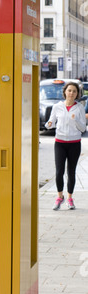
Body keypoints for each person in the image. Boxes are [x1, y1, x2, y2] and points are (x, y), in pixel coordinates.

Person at [45, 82, 86, 210]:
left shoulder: (79, 108)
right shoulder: (57, 107)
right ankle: (59, 197)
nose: (71, 93)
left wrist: (76, 120)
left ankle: (70, 198)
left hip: (74, 144)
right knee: (59, 172)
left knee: (71, 172)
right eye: (69, 90)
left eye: (74, 91)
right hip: (60, 143)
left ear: (77, 94)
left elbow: (83, 128)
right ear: (65, 92)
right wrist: (49, 123)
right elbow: (49, 124)